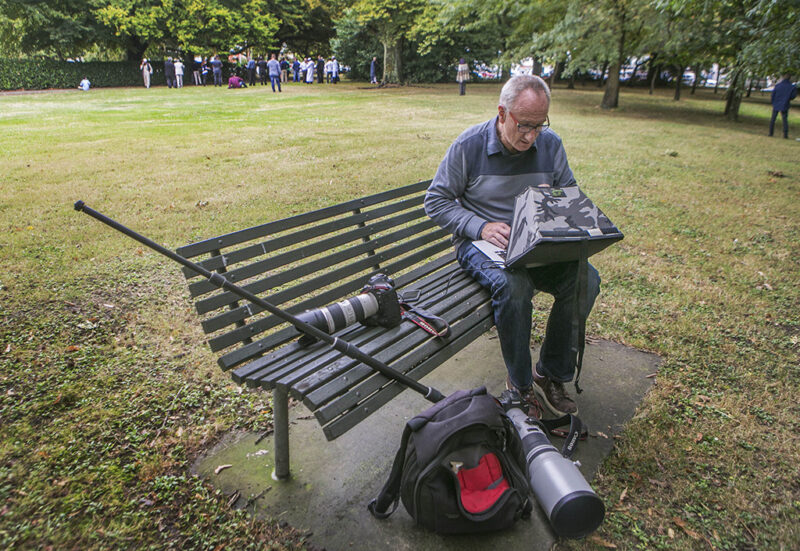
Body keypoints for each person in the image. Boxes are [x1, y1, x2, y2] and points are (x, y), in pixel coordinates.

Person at [424, 75, 600, 418]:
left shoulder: (551, 145)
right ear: (502, 113)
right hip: (482, 245)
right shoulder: (469, 146)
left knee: (585, 279)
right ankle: (519, 385)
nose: (532, 135)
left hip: (536, 244)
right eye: (524, 125)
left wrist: (566, 225)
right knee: (514, 286)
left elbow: (567, 196)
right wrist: (481, 226)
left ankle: (550, 373)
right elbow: (436, 201)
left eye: (540, 125)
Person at [769, 74, 797, 139]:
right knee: (785, 120)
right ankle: (785, 134)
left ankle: (771, 133)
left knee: (773, 119)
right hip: (785, 103)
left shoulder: (778, 86)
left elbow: (773, 95)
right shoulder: (792, 87)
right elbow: (793, 96)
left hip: (776, 103)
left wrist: (773, 102)